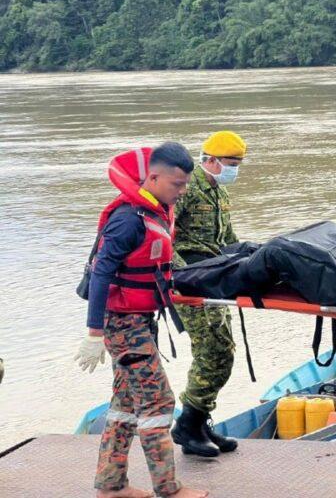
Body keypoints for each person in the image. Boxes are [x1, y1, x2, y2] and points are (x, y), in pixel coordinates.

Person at [74, 143, 207, 498]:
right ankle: (169, 488)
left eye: (184, 186)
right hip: (124, 324)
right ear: (153, 177)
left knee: (125, 404)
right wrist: (93, 334)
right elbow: (101, 274)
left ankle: (111, 485)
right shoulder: (128, 220)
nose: (180, 193)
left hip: (139, 320)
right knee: (158, 402)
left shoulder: (155, 211)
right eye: (176, 185)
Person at [170, 131, 246, 458]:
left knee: (223, 353)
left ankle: (197, 421)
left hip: (216, 279)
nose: (233, 170)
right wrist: (181, 277)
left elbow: (227, 240)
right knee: (212, 351)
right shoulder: (186, 189)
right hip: (190, 281)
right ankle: (187, 426)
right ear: (210, 160)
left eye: (238, 165)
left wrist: (251, 262)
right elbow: (163, 234)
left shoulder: (220, 193)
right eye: (230, 164)